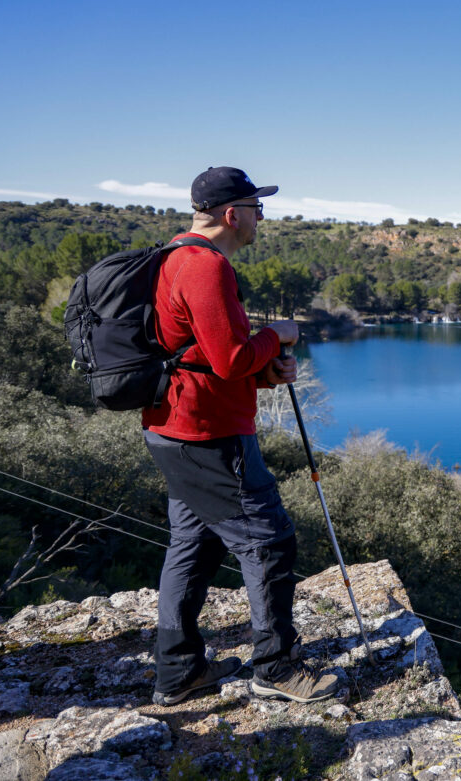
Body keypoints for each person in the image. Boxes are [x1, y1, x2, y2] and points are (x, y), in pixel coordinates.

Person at [142, 166, 338, 706]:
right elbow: (229, 358)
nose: (260, 219)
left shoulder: (173, 257)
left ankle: (179, 672)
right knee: (270, 540)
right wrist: (278, 336)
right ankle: (275, 668)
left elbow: (206, 354)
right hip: (209, 436)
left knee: (194, 545)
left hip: (174, 429)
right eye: (256, 209)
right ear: (233, 215)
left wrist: (264, 367)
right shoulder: (205, 268)